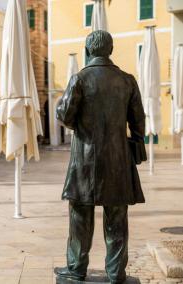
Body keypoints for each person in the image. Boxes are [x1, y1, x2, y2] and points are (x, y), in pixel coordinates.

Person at [54, 30, 147, 284]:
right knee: (117, 219)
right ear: (111, 50)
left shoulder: (80, 79)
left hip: (85, 162)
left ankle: (76, 269)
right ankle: (116, 273)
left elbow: (64, 115)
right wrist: (137, 145)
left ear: (88, 50)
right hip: (118, 161)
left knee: (79, 217)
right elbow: (139, 121)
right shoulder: (127, 81)